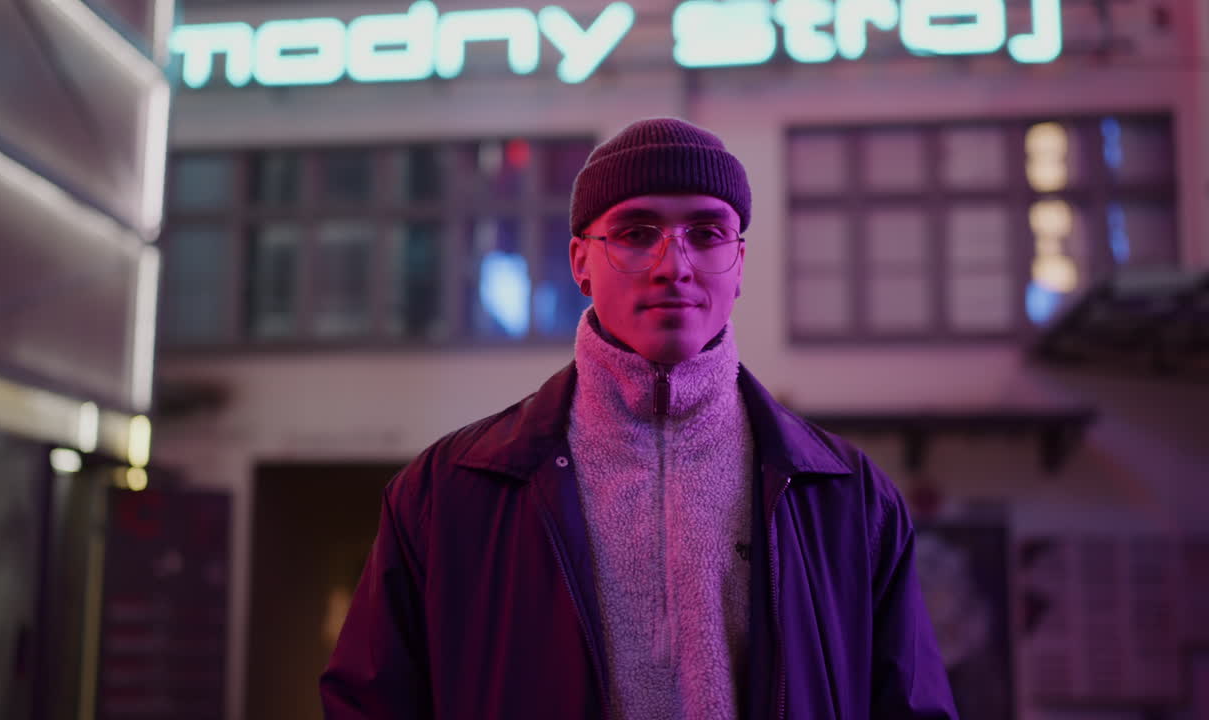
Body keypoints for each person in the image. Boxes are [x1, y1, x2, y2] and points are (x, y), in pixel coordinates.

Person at [320, 118, 958, 720]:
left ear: (739, 264)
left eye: (706, 234)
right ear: (579, 263)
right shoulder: (449, 494)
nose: (672, 265)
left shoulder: (847, 499)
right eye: (634, 233)